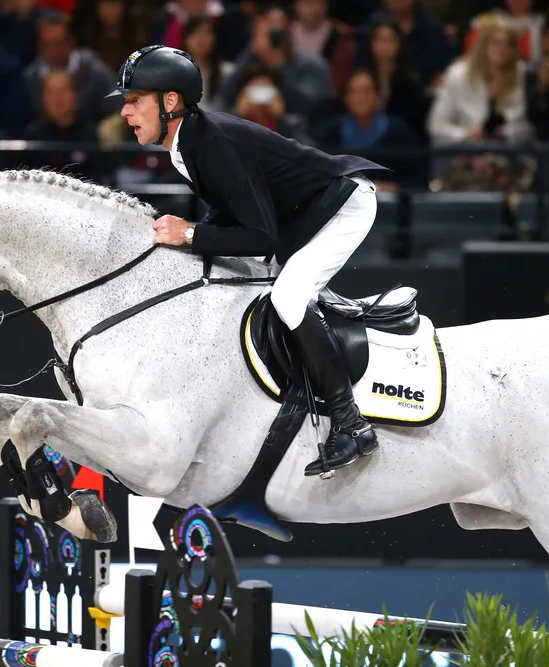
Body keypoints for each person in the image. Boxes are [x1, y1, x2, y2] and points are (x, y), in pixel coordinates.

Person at [106, 44, 390, 477]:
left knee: (289, 297)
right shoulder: (187, 143)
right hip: (301, 217)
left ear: (170, 101)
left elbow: (259, 235)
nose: (125, 112)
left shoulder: (213, 143)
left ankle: (351, 424)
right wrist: (192, 237)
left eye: (134, 100)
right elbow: (233, 212)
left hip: (342, 205)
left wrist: (190, 234)